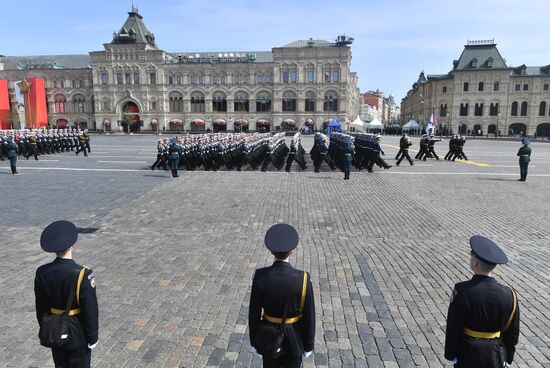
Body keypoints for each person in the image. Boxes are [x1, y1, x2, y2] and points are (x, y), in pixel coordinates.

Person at [444, 235, 519, 368]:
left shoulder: (462, 291)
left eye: (472, 255)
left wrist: (451, 355)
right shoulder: (509, 294)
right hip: (496, 355)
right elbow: (512, 332)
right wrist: (507, 357)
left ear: (476, 263)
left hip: (467, 353)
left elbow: (453, 326)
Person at [249, 224, 315, 368]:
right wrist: (308, 344)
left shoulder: (260, 276)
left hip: (268, 337)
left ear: (271, 251)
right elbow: (309, 315)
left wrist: (254, 341)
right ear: (291, 251)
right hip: (295, 338)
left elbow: (254, 313)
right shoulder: (302, 278)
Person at [35, 220, 99, 368]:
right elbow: (90, 310)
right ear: (73, 246)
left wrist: (46, 326)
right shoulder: (82, 274)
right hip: (77, 333)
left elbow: (41, 306)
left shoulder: (42, 272)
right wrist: (93, 336)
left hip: (54, 329)